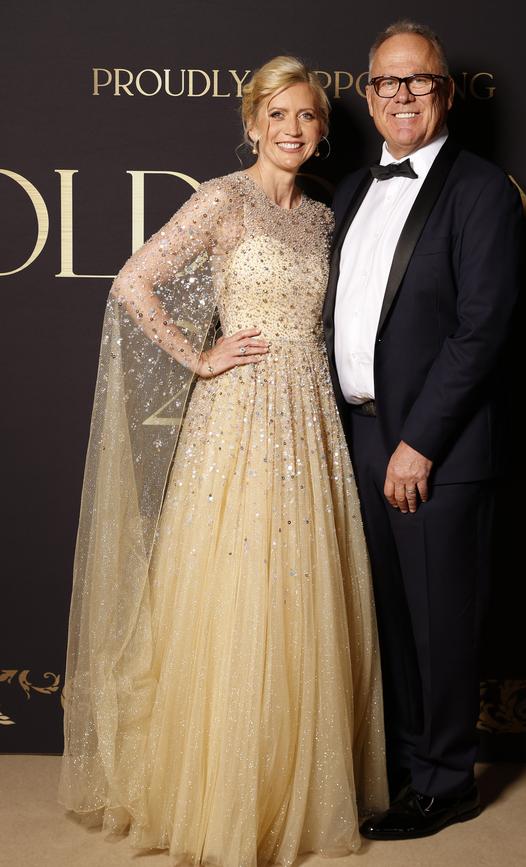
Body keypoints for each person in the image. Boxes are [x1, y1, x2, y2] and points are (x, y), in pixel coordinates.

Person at [59, 55, 388, 867]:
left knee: (299, 589)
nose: (294, 129)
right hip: (237, 416)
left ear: (320, 132)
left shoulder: (320, 217)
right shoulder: (221, 199)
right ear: (251, 123)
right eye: (278, 114)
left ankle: (291, 785)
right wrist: (199, 356)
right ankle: (216, 792)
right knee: (231, 589)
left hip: (308, 419)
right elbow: (133, 284)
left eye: (309, 116)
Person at [323, 21, 522, 840]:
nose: (401, 95)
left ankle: (448, 780)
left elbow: (483, 328)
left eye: (418, 81)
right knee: (392, 621)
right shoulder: (350, 190)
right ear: (368, 95)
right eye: (385, 83)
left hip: (429, 448)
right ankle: (407, 769)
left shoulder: (479, 189)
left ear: (444, 92)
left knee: (439, 620)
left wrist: (420, 441)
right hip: (359, 436)